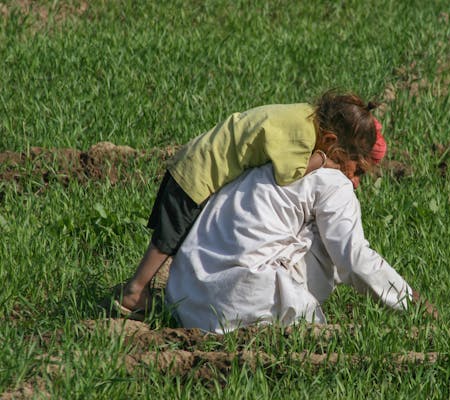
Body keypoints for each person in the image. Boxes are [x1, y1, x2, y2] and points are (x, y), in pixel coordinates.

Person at [114, 90, 388, 318]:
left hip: (197, 164)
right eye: (347, 165)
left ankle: (153, 288)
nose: (347, 176)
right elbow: (289, 173)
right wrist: (324, 162)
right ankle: (135, 291)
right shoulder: (303, 135)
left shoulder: (304, 116)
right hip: (197, 173)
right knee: (167, 240)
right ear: (330, 141)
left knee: (178, 238)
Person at [164, 143, 420, 332]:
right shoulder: (333, 181)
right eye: (358, 171)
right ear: (340, 149)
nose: (355, 183)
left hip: (184, 301)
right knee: (327, 235)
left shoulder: (267, 162)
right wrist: (410, 300)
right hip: (241, 305)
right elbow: (353, 259)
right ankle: (294, 313)